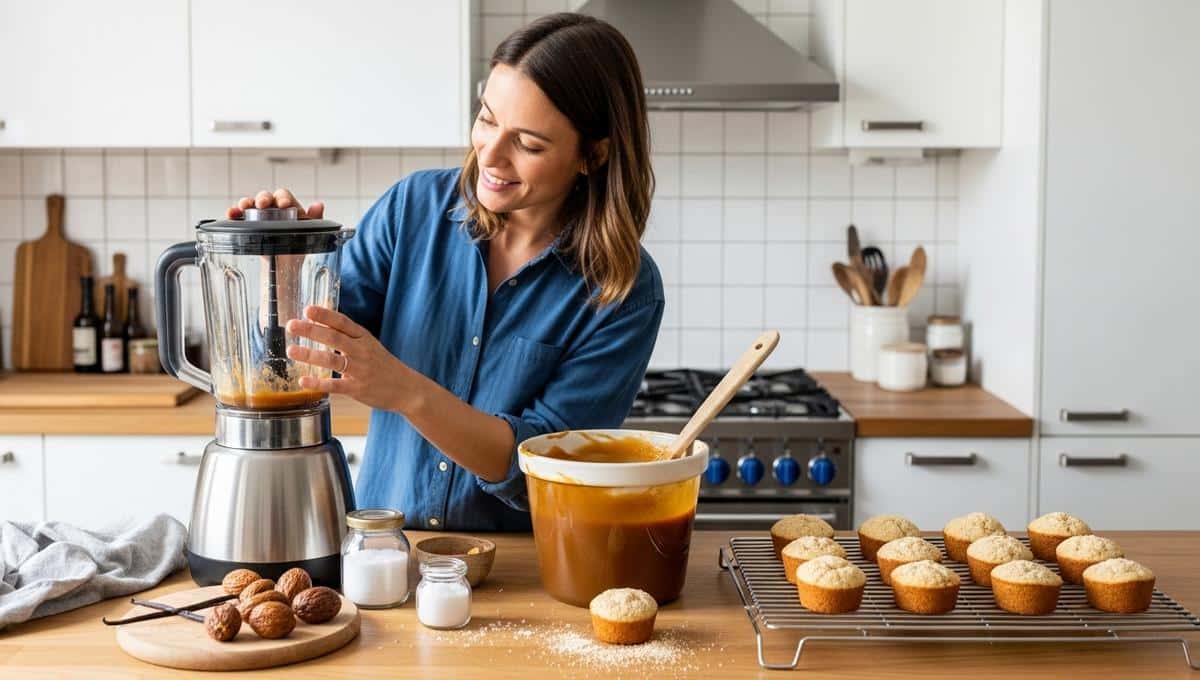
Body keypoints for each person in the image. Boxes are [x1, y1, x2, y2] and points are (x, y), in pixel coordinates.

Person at [225, 13, 663, 531]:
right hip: (385, 550)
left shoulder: (623, 291)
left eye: (528, 144)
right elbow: (294, 363)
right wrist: (289, 271)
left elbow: (540, 470)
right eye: (487, 118)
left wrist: (406, 390)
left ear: (593, 155)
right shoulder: (411, 209)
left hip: (519, 575)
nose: (491, 154)